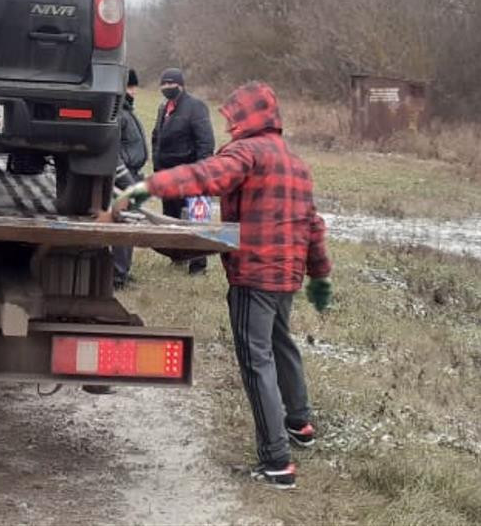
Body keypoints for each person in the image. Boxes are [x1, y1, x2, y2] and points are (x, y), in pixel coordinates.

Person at [116, 82, 333, 490]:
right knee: (281, 343)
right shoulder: (296, 163)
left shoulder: (247, 153)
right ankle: (300, 424)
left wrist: (148, 187)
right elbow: (314, 225)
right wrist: (319, 275)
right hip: (287, 274)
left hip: (254, 273)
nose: (229, 123)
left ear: (248, 118)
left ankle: (276, 463)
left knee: (257, 360)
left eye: (234, 116)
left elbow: (206, 176)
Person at [150, 67, 215, 274]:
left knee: (197, 217)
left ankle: (198, 265)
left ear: (181, 85)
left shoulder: (196, 107)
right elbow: (156, 138)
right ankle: (177, 256)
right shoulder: (164, 108)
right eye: (164, 84)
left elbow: (206, 142)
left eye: (172, 84)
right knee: (171, 217)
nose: (167, 87)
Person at [112, 69, 148, 287]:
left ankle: (124, 270)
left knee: (131, 224)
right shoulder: (120, 115)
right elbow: (113, 152)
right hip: (124, 178)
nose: (134, 91)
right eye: (131, 87)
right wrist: (126, 180)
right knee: (123, 226)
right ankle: (117, 275)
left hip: (133, 174)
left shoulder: (128, 111)